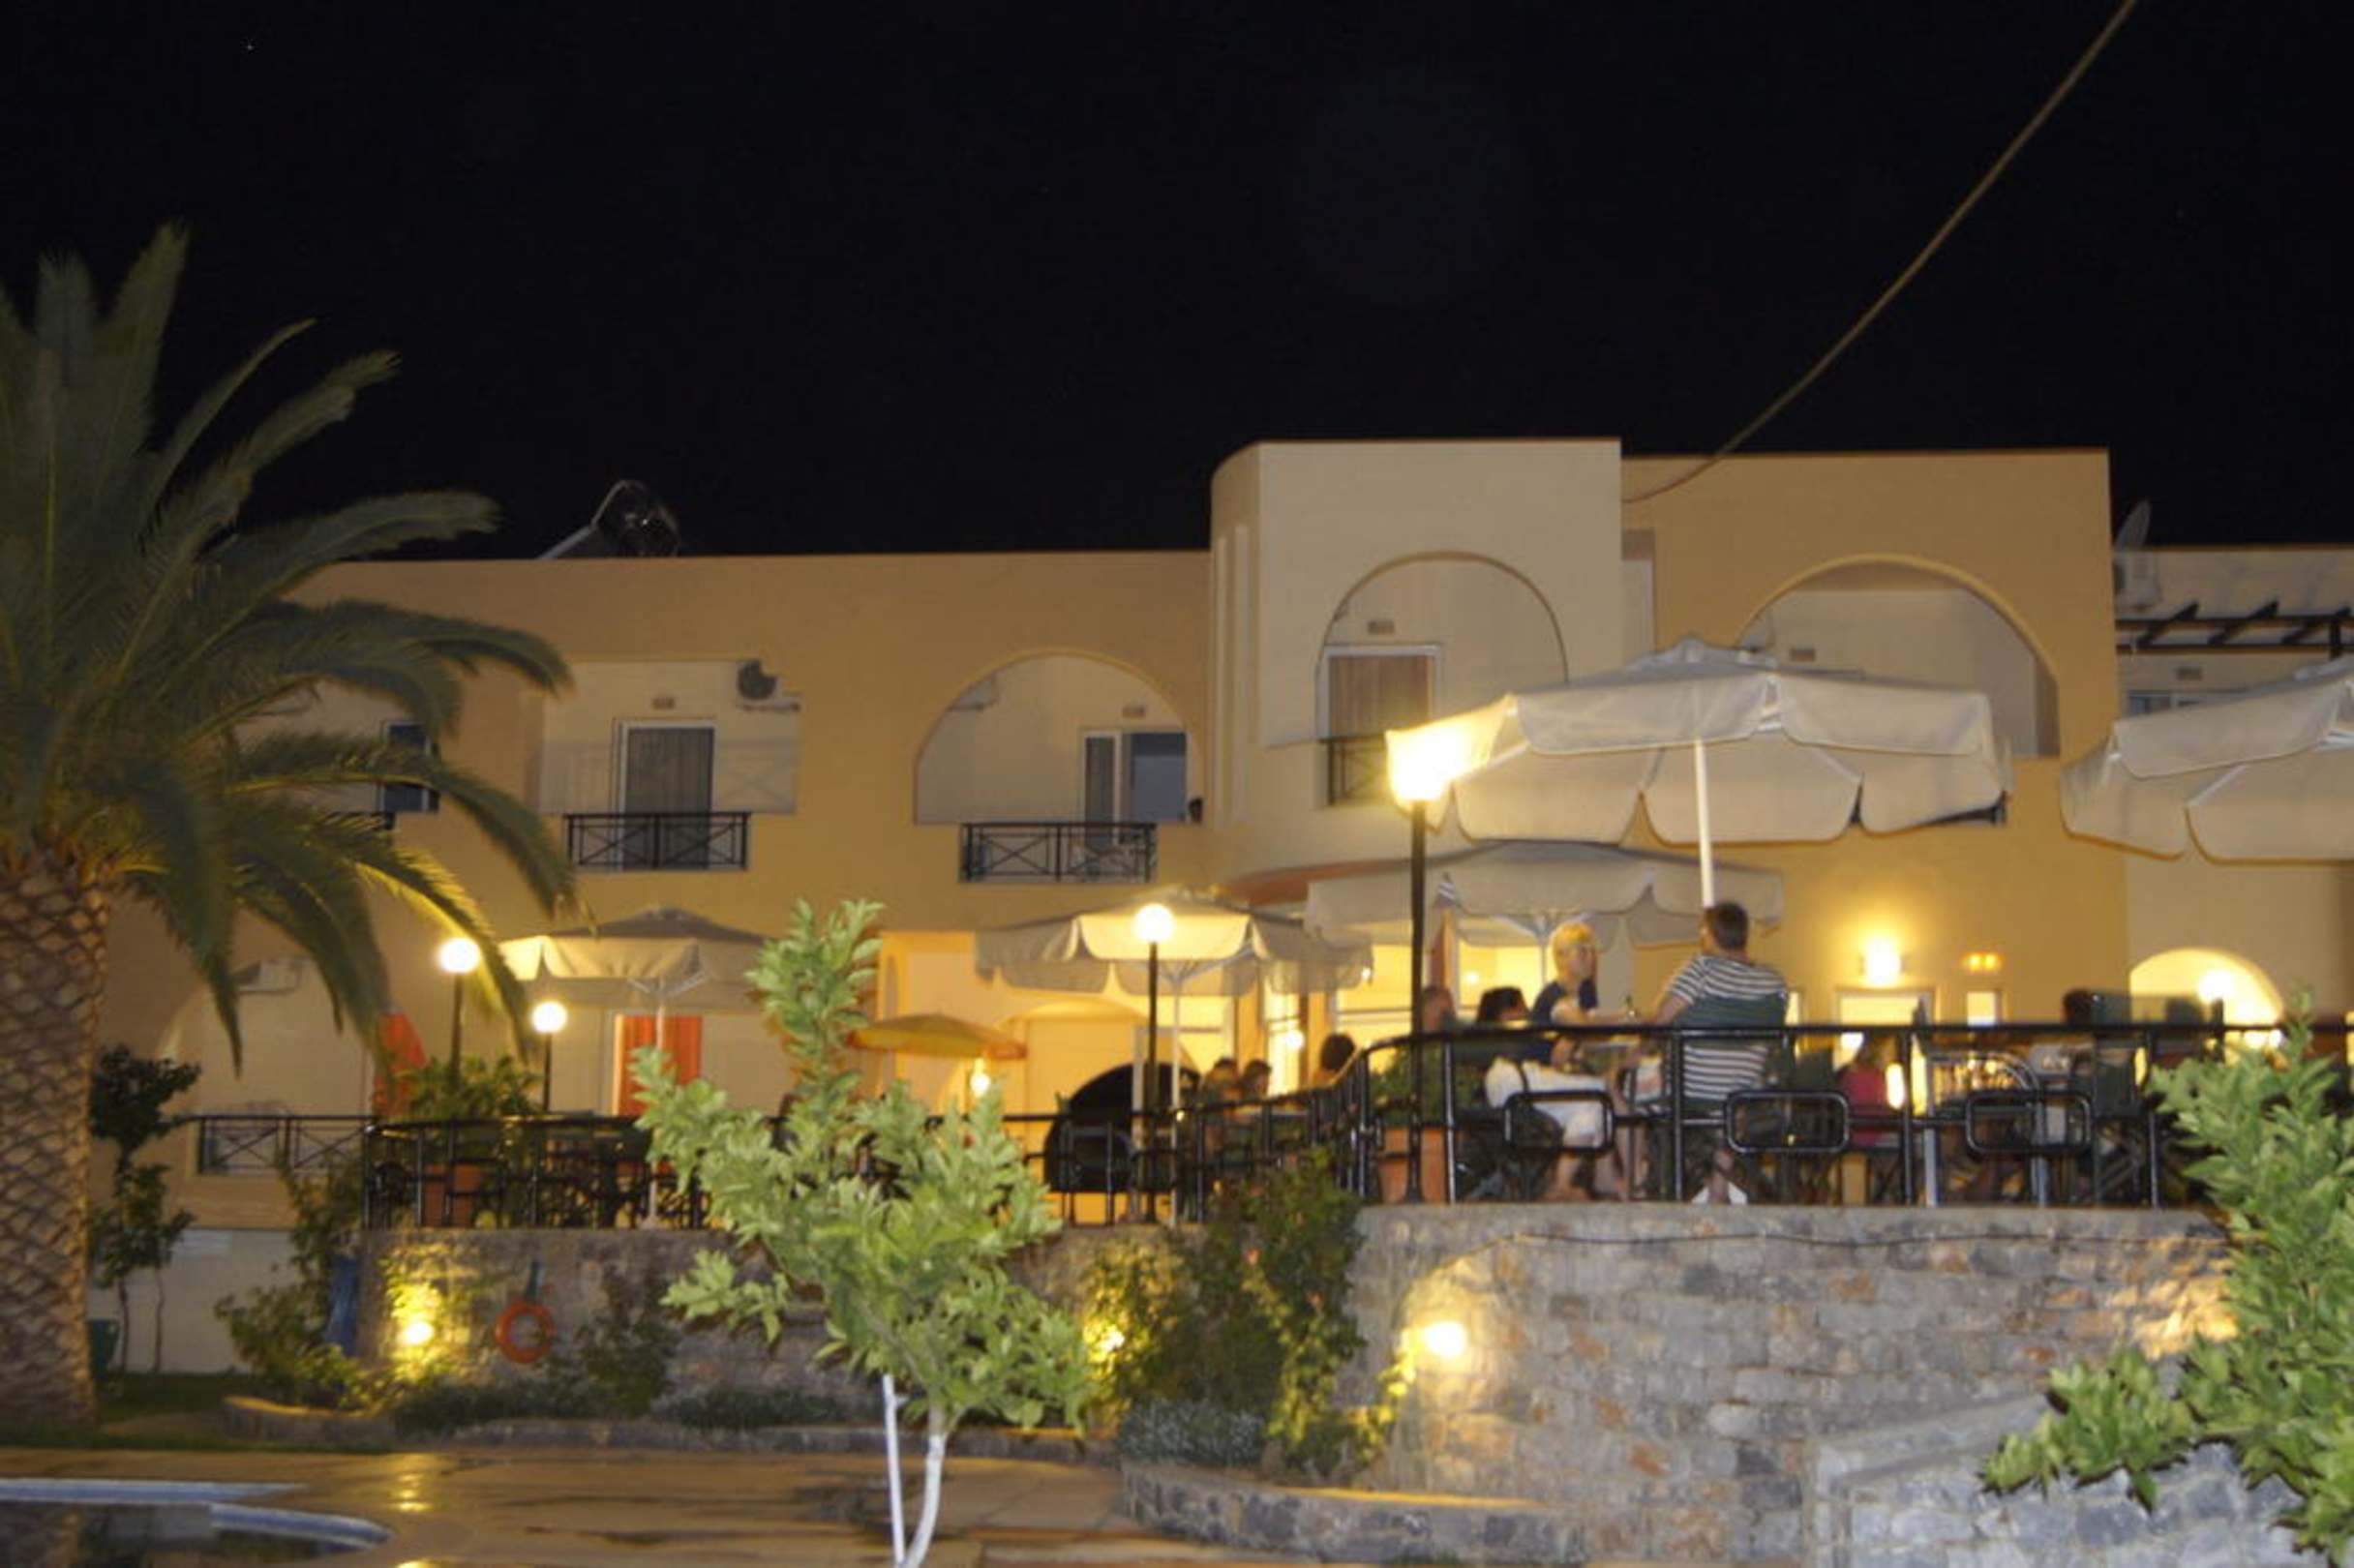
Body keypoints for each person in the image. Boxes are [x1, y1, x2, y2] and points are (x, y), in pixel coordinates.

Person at [1632, 902, 1788, 1204]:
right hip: (1744, 1095)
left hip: (1689, 1091)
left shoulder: (1701, 968)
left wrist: (1636, 1053)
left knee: (1620, 1086)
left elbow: (1660, 1020)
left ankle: (1634, 1184)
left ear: (1709, 933)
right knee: (1730, 1103)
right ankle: (1718, 1184)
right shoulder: (1774, 982)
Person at [1532, 921, 1601, 1026]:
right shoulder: (1552, 996)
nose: (1591, 958)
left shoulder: (1587, 990)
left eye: (1593, 952)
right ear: (1562, 956)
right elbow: (1586, 1028)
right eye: (1582, 952)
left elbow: (1594, 1020)